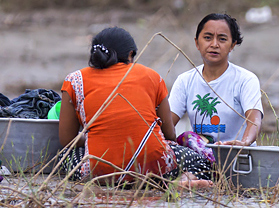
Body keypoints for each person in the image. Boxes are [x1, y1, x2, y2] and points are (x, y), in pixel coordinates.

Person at [59, 26, 212, 187]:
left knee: (64, 156)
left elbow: (67, 140)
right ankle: (175, 184)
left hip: (100, 171)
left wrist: (94, 139)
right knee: (202, 162)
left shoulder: (74, 80)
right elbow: (169, 134)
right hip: (153, 168)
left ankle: (123, 184)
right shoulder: (152, 76)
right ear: (131, 54)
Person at [169, 13, 263, 148]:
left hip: (237, 158)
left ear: (232, 45)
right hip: (199, 159)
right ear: (197, 43)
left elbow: (254, 120)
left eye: (222, 39)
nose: (214, 44)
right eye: (207, 38)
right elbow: (167, 124)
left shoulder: (246, 80)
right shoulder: (185, 80)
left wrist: (244, 142)